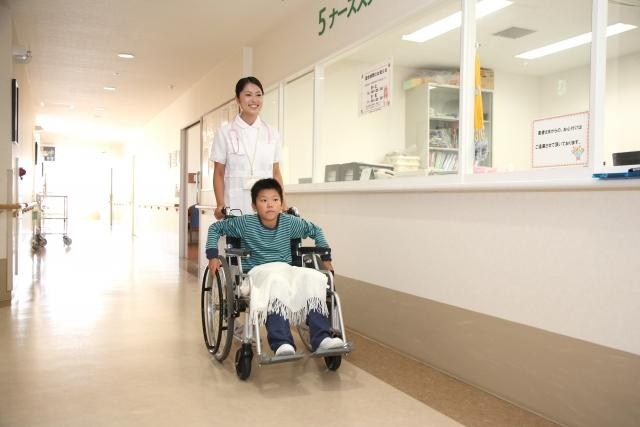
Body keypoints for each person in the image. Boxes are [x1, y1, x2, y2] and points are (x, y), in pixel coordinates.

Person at [205, 178, 344, 356]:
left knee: (313, 277)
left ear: (281, 203)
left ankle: (322, 338)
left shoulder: (289, 222)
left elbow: (316, 230)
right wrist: (212, 256)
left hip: (285, 269)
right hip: (258, 272)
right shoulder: (245, 223)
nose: (270, 205)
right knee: (276, 281)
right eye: (264, 200)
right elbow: (215, 228)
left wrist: (326, 259)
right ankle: (282, 342)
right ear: (254, 206)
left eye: (275, 200)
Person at [210, 76, 286, 220]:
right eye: (248, 95)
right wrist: (220, 204)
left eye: (258, 95)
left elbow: (276, 172)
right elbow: (219, 173)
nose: (254, 100)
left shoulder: (272, 133)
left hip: (266, 207)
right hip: (235, 206)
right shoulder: (225, 132)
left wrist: (283, 204)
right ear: (237, 99)